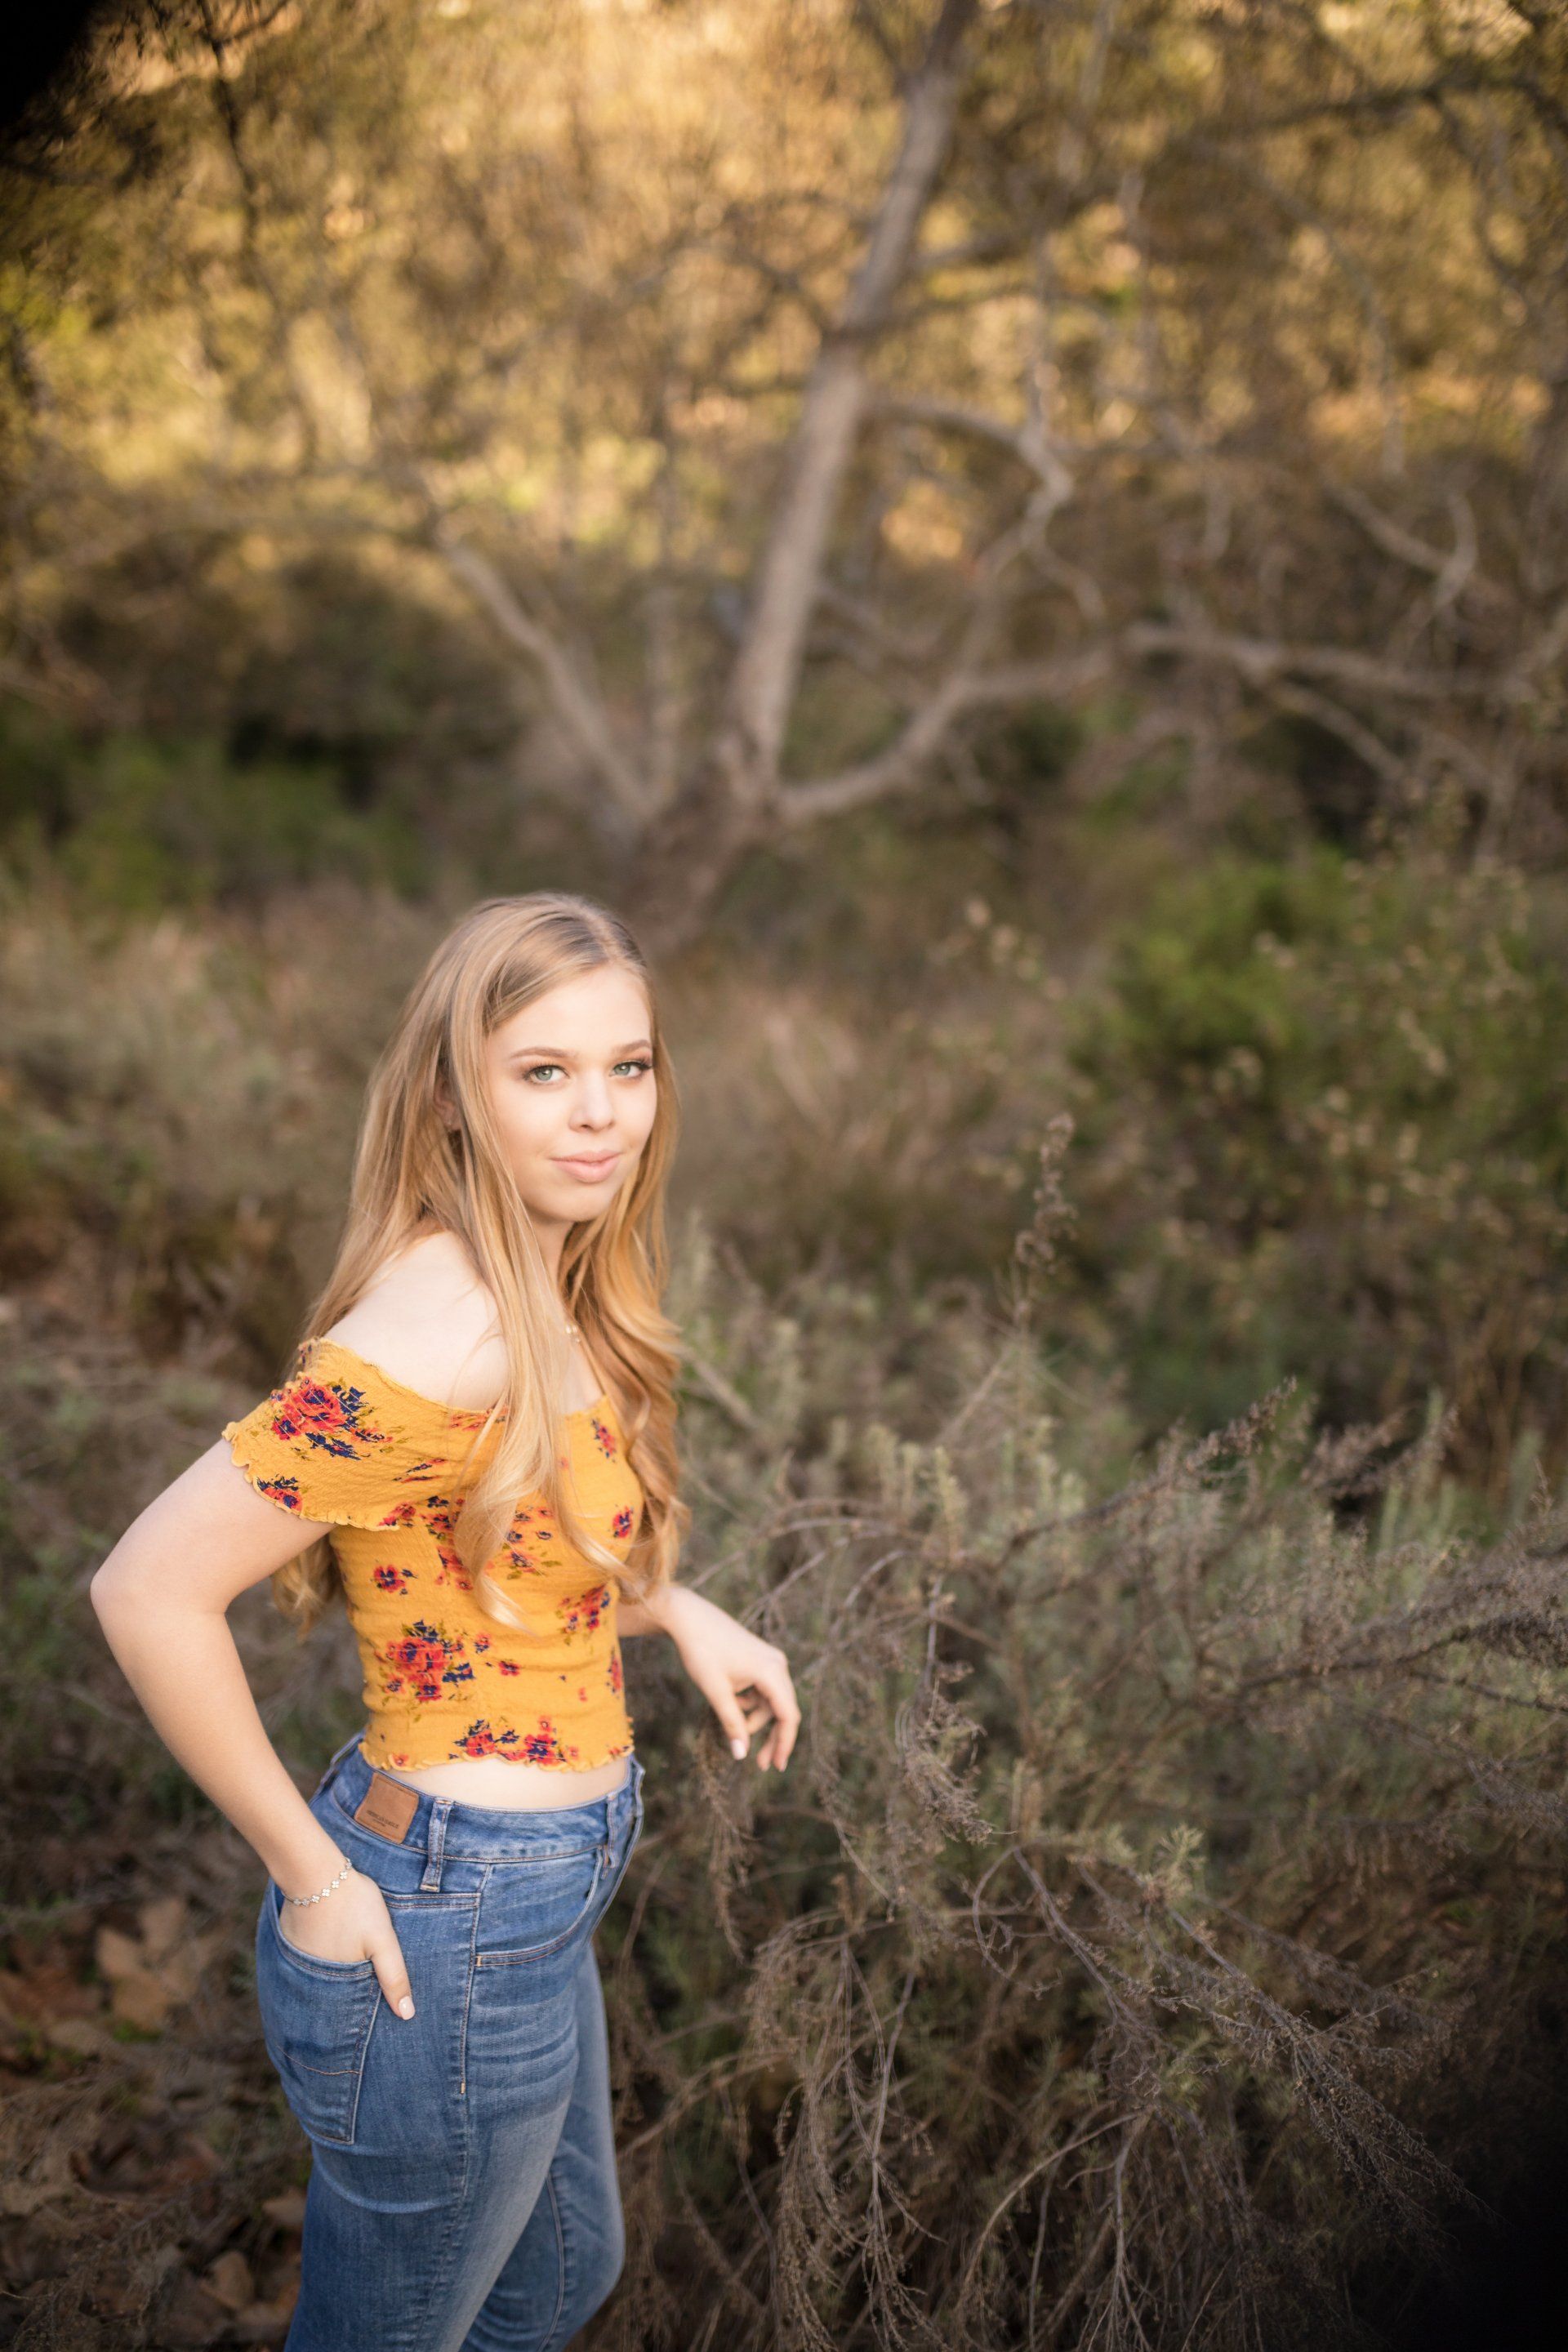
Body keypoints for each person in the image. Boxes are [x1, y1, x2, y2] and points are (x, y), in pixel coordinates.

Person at [90, 891, 800, 2352]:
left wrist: (678, 1613)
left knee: (555, 2282)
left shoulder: (545, 1266)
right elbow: (147, 1589)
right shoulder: (443, 1323)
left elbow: (526, 1523)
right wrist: (313, 1878)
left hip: (528, 1894)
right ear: (453, 1092)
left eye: (632, 1065)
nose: (601, 1113)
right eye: (544, 1072)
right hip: (444, 1907)